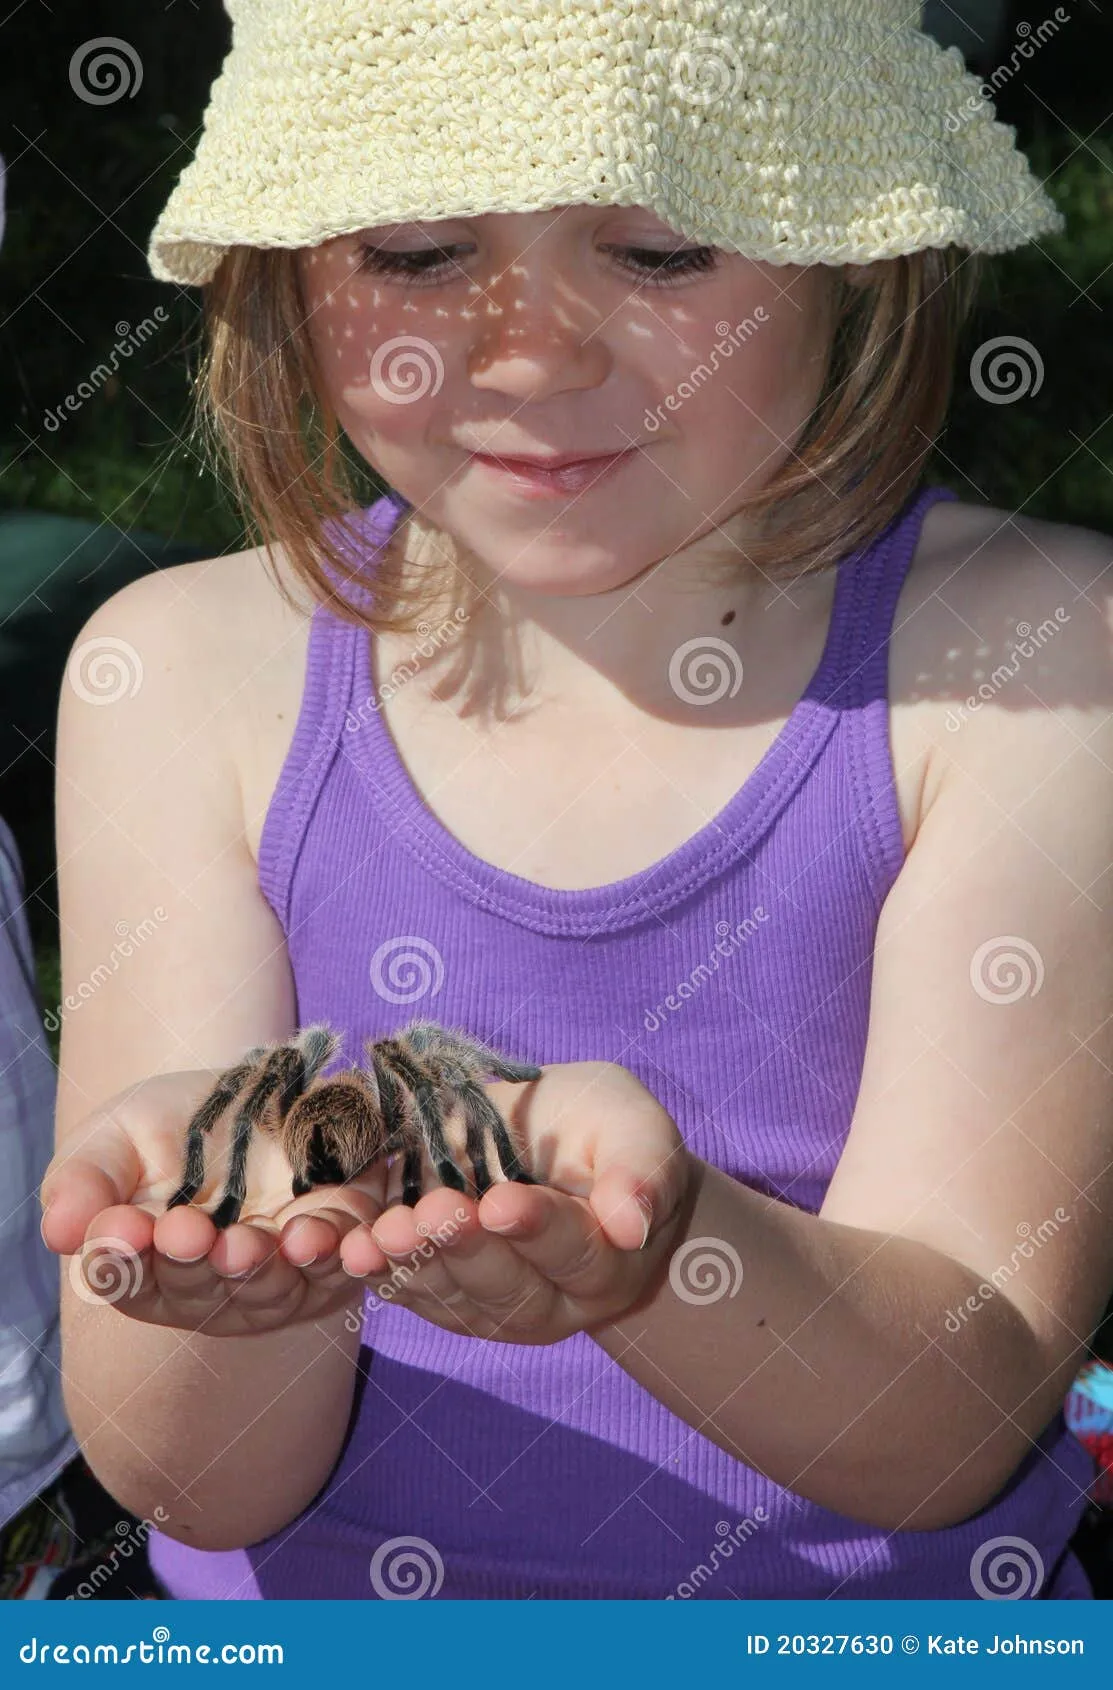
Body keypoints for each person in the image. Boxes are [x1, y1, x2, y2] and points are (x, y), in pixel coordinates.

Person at [39, 0, 1113, 1600]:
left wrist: (657, 1245)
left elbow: (951, 1412)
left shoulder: (1035, 666)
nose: (531, 347)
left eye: (664, 250)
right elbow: (190, 1475)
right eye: (414, 250)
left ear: (856, 258)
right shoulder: (178, 678)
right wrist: (237, 1275)